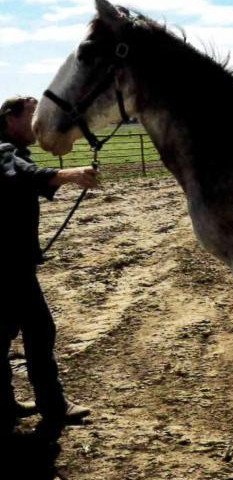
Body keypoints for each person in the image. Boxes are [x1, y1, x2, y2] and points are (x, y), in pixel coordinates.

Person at [0, 96, 99, 441]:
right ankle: (53, 407)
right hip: (10, 267)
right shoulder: (3, 151)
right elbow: (20, 175)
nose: (37, 123)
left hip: (10, 263)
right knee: (40, 331)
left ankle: (3, 406)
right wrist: (68, 174)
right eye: (31, 116)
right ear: (10, 117)